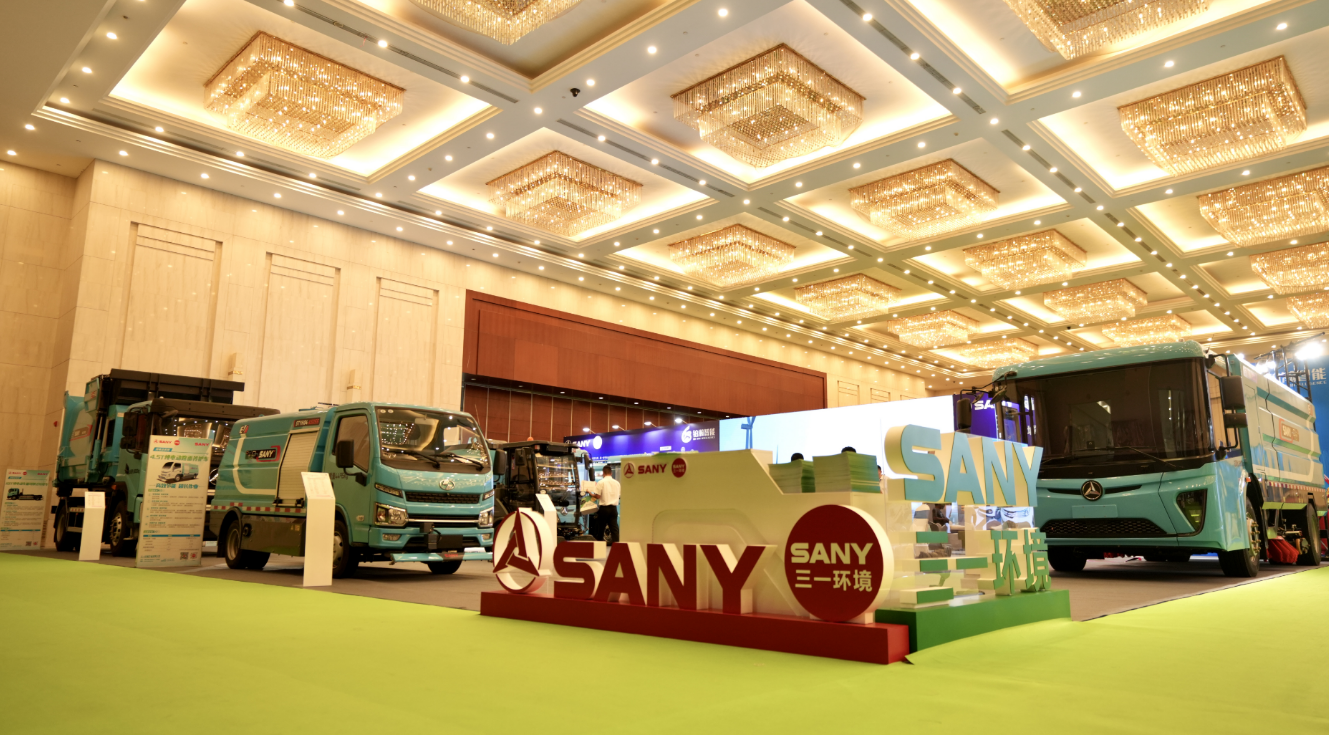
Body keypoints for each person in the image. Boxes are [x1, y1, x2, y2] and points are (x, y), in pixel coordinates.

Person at [590, 466, 621, 545]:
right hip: (614, 509)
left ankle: (600, 547)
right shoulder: (617, 483)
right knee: (614, 529)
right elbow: (619, 496)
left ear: (603, 473)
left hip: (604, 509)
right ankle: (617, 546)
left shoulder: (601, 482)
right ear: (611, 473)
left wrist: (591, 494)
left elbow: (598, 496)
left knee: (600, 528)